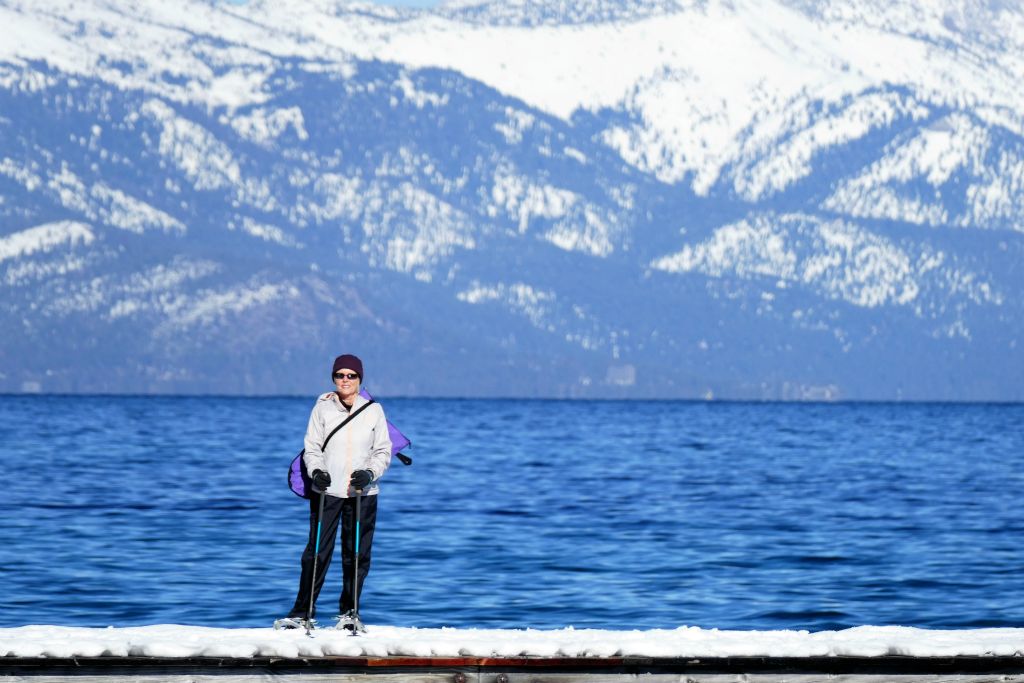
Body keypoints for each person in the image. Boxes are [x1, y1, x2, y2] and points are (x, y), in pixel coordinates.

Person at [275, 354, 392, 631]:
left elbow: (383, 450)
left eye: (351, 375)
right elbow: (312, 447)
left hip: (362, 492)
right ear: (333, 378)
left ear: (360, 379)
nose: (345, 380)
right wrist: (317, 471)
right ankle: (303, 612)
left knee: (356, 554)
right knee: (316, 553)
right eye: (340, 375)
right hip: (326, 490)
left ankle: (350, 613)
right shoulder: (322, 409)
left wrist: (370, 472)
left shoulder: (374, 410)